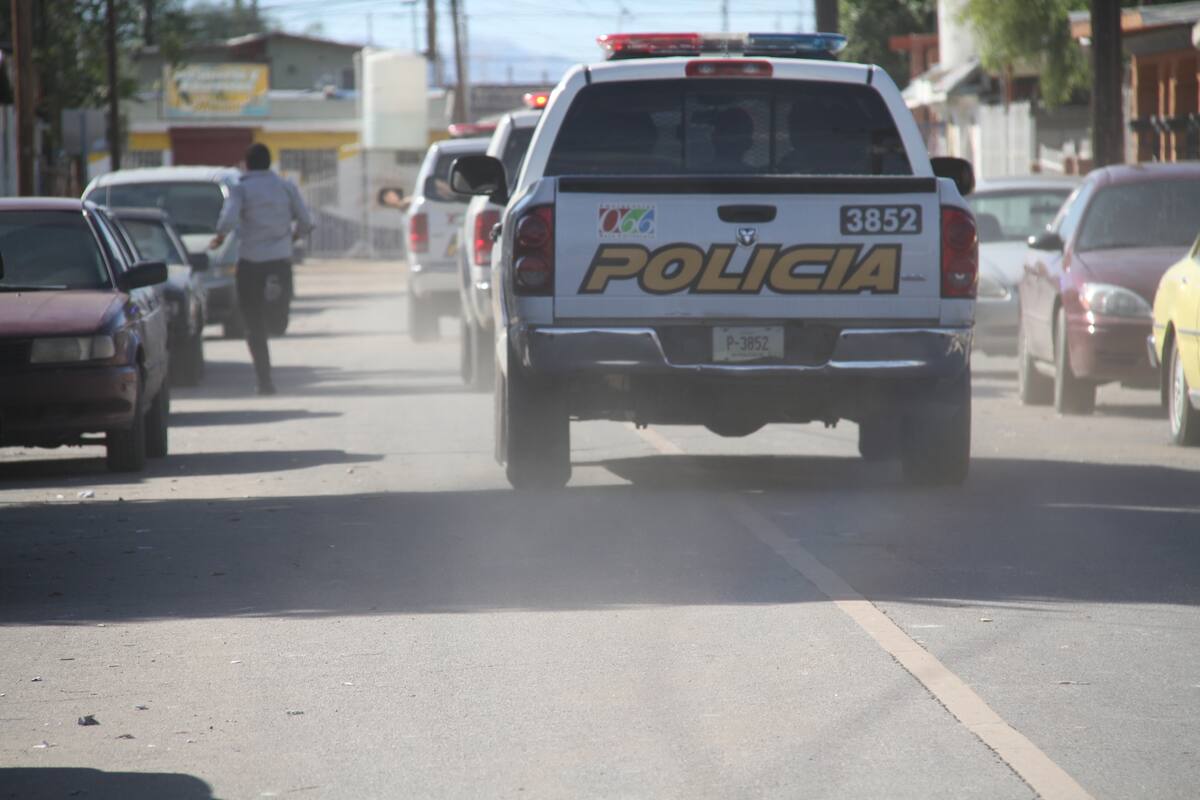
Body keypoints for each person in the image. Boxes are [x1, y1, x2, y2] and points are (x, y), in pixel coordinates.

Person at [211, 143, 312, 395]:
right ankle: (276, 304)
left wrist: (220, 236)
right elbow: (307, 221)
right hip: (280, 259)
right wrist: (294, 236)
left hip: (250, 262)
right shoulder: (285, 186)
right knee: (277, 322)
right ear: (269, 163)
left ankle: (264, 380)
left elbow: (229, 219)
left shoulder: (241, 188)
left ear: (247, 163)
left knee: (253, 324)